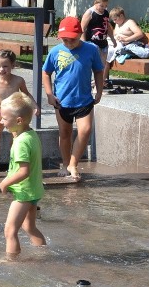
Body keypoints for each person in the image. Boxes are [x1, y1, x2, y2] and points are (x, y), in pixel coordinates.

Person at [42, 16, 104, 182]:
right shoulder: (55, 51)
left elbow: (98, 70)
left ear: (80, 34)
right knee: (65, 133)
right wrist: (49, 94)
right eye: (65, 40)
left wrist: (99, 90)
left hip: (84, 99)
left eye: (72, 40)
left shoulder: (91, 49)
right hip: (62, 101)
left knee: (85, 130)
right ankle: (65, 163)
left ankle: (73, 163)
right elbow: (46, 72)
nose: (68, 43)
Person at [0, 91, 46, 259]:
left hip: (23, 193)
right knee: (29, 227)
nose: (0, 121)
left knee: (10, 231)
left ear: (18, 121)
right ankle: (43, 254)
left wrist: (5, 182)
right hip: (33, 190)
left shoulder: (20, 144)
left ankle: (11, 261)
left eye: (4, 118)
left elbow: (23, 171)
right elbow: (17, 130)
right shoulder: (30, 134)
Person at [104, 6, 149, 82]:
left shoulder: (129, 22)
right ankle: (102, 80)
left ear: (122, 16)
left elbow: (140, 34)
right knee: (102, 52)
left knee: (106, 54)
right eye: (113, 20)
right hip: (117, 44)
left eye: (115, 19)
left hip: (126, 45)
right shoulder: (118, 24)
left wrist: (126, 39)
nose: (114, 22)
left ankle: (103, 80)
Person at [80, 0, 115, 87]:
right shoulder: (90, 12)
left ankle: (98, 87)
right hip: (92, 42)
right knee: (92, 65)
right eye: (101, 5)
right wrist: (84, 42)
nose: (103, 8)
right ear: (96, 2)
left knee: (102, 67)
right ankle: (87, 84)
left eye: (106, 6)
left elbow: (107, 27)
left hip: (103, 42)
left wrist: (113, 39)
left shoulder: (106, 13)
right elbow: (82, 28)